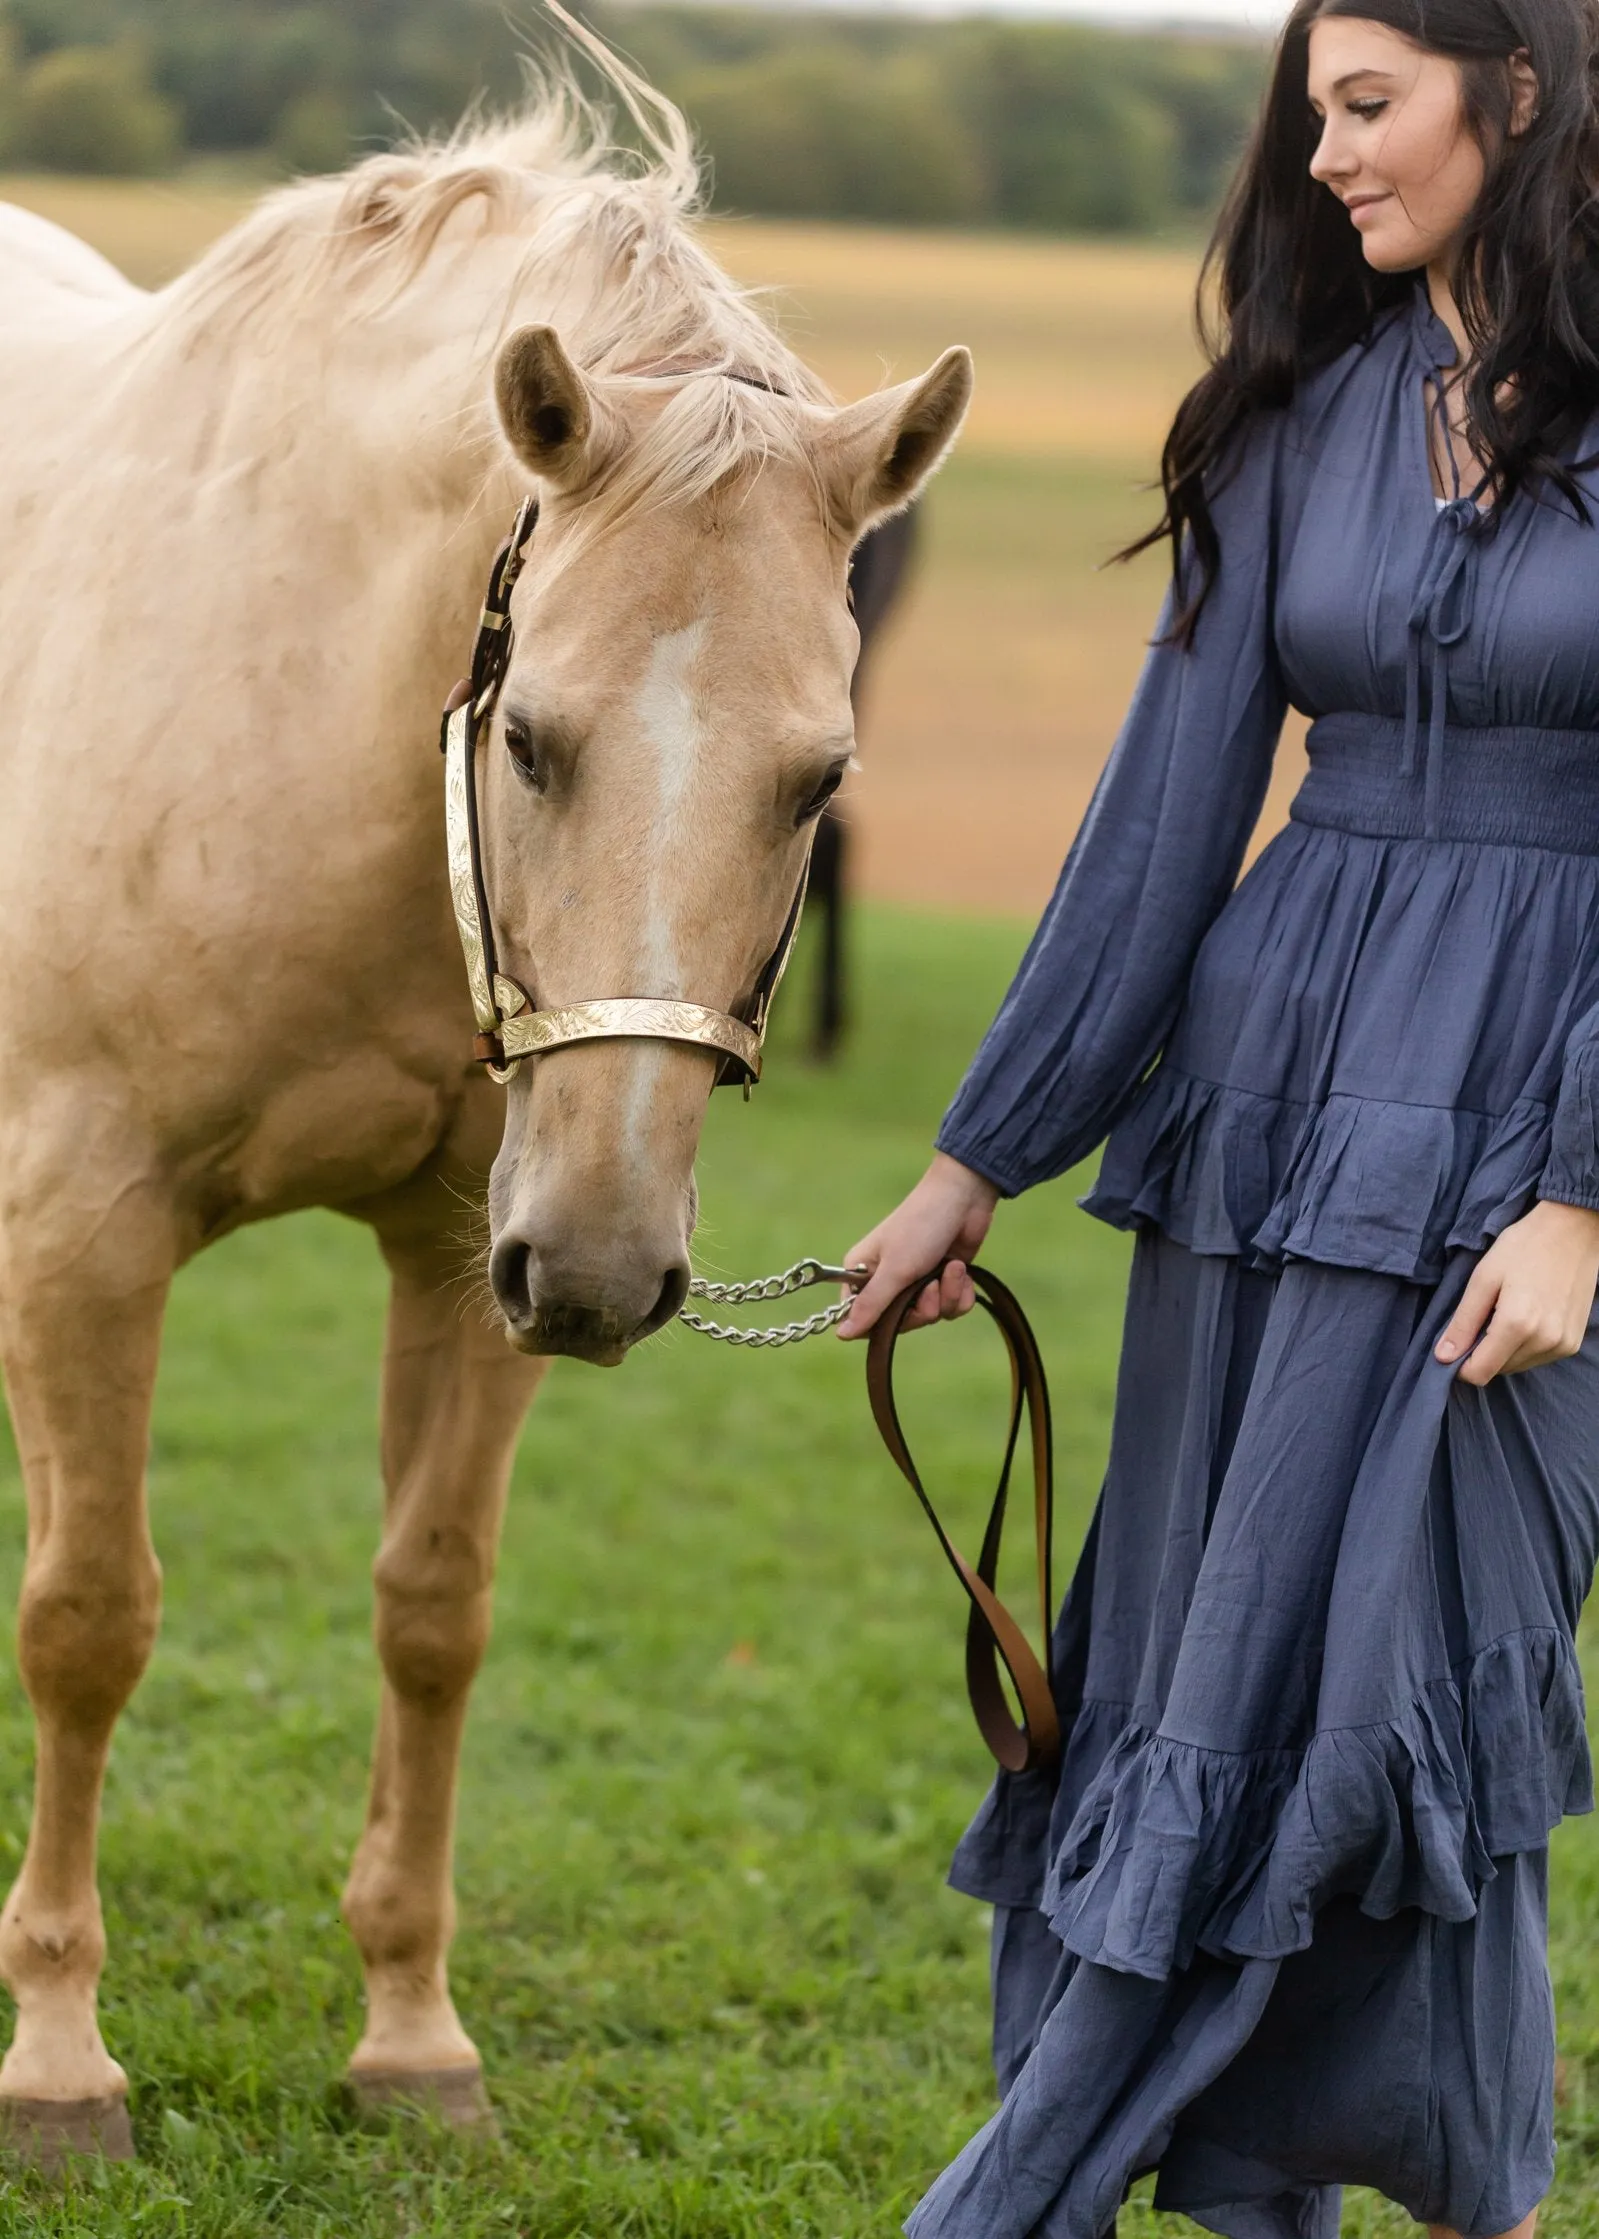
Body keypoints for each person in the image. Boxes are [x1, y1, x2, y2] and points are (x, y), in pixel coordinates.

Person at [836, 3, 1599, 2233]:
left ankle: (1421, 2183)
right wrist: (977, 1151)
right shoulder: (1295, 424)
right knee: (1199, 1664)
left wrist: (1577, 1198)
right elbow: (1159, 820)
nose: (1328, 159)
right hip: (1265, 1122)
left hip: (1515, 1130)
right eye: (1315, 117)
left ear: (1521, 90)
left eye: (1369, 109)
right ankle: (1227, 2195)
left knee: (1402, 1667)